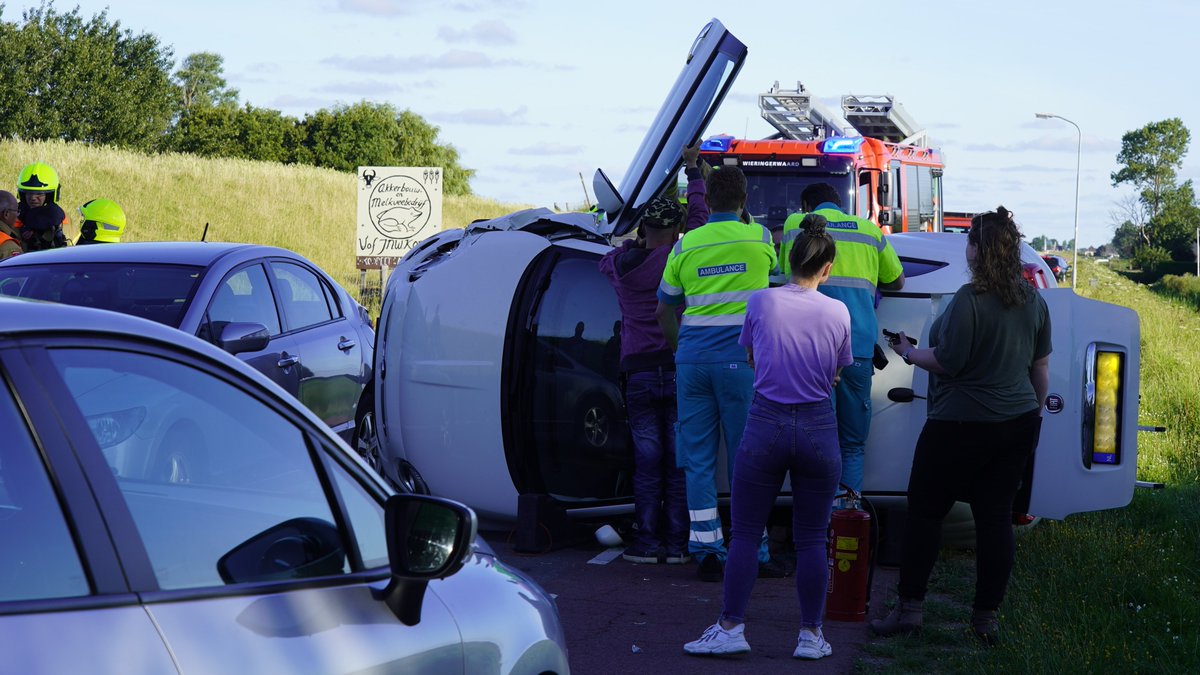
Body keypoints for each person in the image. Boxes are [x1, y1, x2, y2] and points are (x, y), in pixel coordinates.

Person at [870, 207, 1050, 646]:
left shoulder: (968, 300)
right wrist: (1032, 415)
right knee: (995, 520)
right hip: (1017, 423)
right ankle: (985, 620)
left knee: (926, 513)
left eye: (968, 240)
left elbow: (948, 362)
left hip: (959, 425)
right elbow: (1040, 368)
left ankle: (910, 609)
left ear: (975, 250)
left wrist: (910, 352)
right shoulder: (1034, 301)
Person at [684, 214, 851, 660]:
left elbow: (754, 357)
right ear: (827, 268)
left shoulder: (761, 301)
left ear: (787, 259)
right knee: (814, 537)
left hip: (766, 424)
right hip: (818, 427)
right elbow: (837, 371)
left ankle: (731, 626)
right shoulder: (839, 311)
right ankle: (811, 636)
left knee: (744, 533)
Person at [656, 164, 782, 582]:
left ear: (706, 201)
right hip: (742, 364)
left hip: (692, 363)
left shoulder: (685, 246)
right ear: (745, 201)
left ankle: (706, 550)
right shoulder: (761, 239)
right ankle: (755, 549)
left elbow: (664, 309)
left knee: (698, 461)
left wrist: (682, 352)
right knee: (749, 460)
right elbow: (778, 287)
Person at [779, 182, 905, 498]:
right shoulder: (869, 231)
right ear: (841, 205)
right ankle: (846, 526)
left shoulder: (796, 225)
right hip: (857, 347)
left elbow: (785, 272)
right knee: (852, 444)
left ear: (807, 207)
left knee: (810, 442)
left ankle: (812, 526)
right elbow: (897, 281)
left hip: (807, 349)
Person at [599, 196, 690, 565]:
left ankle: (647, 541)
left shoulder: (619, 266)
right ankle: (678, 543)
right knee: (678, 459)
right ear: (673, 231)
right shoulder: (677, 259)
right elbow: (697, 222)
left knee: (647, 459)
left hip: (636, 371)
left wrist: (630, 245)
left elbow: (603, 261)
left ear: (642, 229)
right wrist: (695, 179)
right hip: (674, 366)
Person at [15, 162, 69, 251]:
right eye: (29, 193)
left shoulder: (61, 219)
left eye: (39, 194)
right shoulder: (13, 215)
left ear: (49, 196)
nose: (33, 198)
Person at [0, 191, 24, 260]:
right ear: (6, 214)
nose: (17, 216)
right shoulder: (8, 246)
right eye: (17, 211)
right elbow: (17, 270)